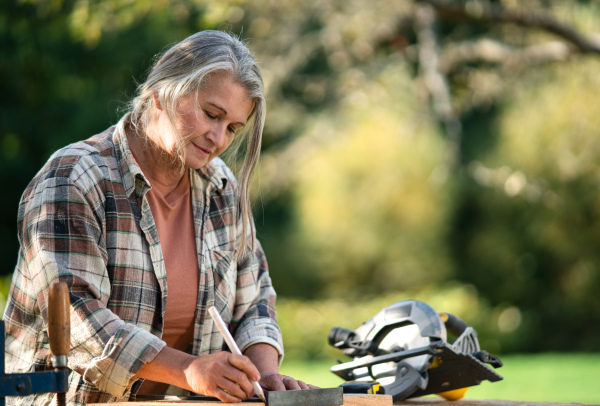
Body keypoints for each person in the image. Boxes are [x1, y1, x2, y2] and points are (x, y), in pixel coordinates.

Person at [3, 30, 314, 405]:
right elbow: (76, 318)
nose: (218, 138)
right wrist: (189, 371)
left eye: (233, 128)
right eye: (211, 114)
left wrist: (264, 375)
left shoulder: (221, 188)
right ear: (160, 94)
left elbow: (255, 296)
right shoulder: (74, 178)